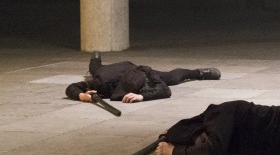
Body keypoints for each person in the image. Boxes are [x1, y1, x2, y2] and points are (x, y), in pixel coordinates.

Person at [65, 52, 221, 103]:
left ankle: (199, 73)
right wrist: (82, 96)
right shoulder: (103, 83)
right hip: (109, 72)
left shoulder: (146, 72)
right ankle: (95, 56)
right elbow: (71, 87)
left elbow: (165, 90)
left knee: (172, 77)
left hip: (132, 68)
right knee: (96, 69)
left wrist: (142, 96)